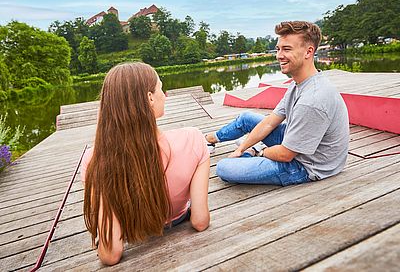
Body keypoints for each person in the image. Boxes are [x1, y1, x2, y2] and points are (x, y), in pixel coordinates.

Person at [81, 62, 210, 265]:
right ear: (149, 98)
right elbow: (200, 221)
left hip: (134, 230)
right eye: (161, 87)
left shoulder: (94, 160)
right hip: (178, 222)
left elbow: (110, 254)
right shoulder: (193, 139)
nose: (164, 95)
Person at [206, 21, 349, 186]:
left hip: (307, 165)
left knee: (224, 168)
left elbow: (285, 155)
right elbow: (270, 122)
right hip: (297, 145)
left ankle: (252, 154)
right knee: (246, 118)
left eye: (287, 49)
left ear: (309, 52)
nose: (279, 55)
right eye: (278, 49)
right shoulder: (299, 83)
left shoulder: (313, 99)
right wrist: (241, 149)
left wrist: (260, 151)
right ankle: (212, 141)